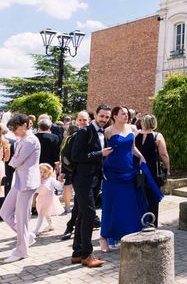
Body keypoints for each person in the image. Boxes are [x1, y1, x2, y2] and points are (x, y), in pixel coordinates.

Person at [99, 105, 148, 252]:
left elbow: (132, 148)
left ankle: (128, 236)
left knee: (129, 205)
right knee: (110, 205)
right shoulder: (107, 131)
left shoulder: (133, 129)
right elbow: (102, 151)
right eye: (122, 114)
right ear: (114, 116)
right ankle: (104, 238)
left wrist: (141, 157)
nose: (125, 116)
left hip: (129, 172)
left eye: (126, 114)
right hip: (112, 173)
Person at [70, 104, 113, 267]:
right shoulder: (85, 131)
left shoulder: (103, 133)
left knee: (82, 215)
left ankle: (77, 253)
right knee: (89, 215)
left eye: (107, 117)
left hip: (95, 179)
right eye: (102, 116)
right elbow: (76, 156)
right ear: (95, 115)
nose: (104, 120)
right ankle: (87, 255)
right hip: (82, 180)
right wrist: (100, 154)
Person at [0, 113, 41, 263]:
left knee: (22, 218)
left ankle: (22, 250)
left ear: (25, 125)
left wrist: (10, 161)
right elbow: (15, 159)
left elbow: (15, 161)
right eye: (11, 127)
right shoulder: (21, 139)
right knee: (4, 212)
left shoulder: (30, 140)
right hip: (19, 181)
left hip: (27, 183)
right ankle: (27, 237)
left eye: (15, 127)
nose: (13, 130)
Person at [135, 114, 170, 227]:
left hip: (138, 171)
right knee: (152, 199)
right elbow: (163, 154)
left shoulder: (135, 135)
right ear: (154, 123)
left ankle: (139, 224)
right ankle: (151, 224)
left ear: (143, 122)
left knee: (140, 196)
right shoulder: (157, 136)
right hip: (152, 172)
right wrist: (167, 169)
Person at [60, 111, 91, 240]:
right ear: (77, 121)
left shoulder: (90, 134)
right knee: (79, 203)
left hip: (86, 175)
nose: (83, 122)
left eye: (85, 120)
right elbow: (67, 156)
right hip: (77, 174)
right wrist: (65, 171)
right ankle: (71, 226)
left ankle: (73, 226)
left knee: (82, 203)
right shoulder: (75, 136)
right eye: (81, 120)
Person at [32, 163, 64, 236]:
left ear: (49, 172)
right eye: (40, 172)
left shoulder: (51, 180)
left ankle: (36, 230)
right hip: (40, 199)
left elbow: (59, 187)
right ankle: (50, 225)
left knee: (41, 213)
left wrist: (61, 181)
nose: (42, 174)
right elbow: (35, 190)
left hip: (49, 199)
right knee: (46, 213)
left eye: (45, 172)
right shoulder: (38, 180)